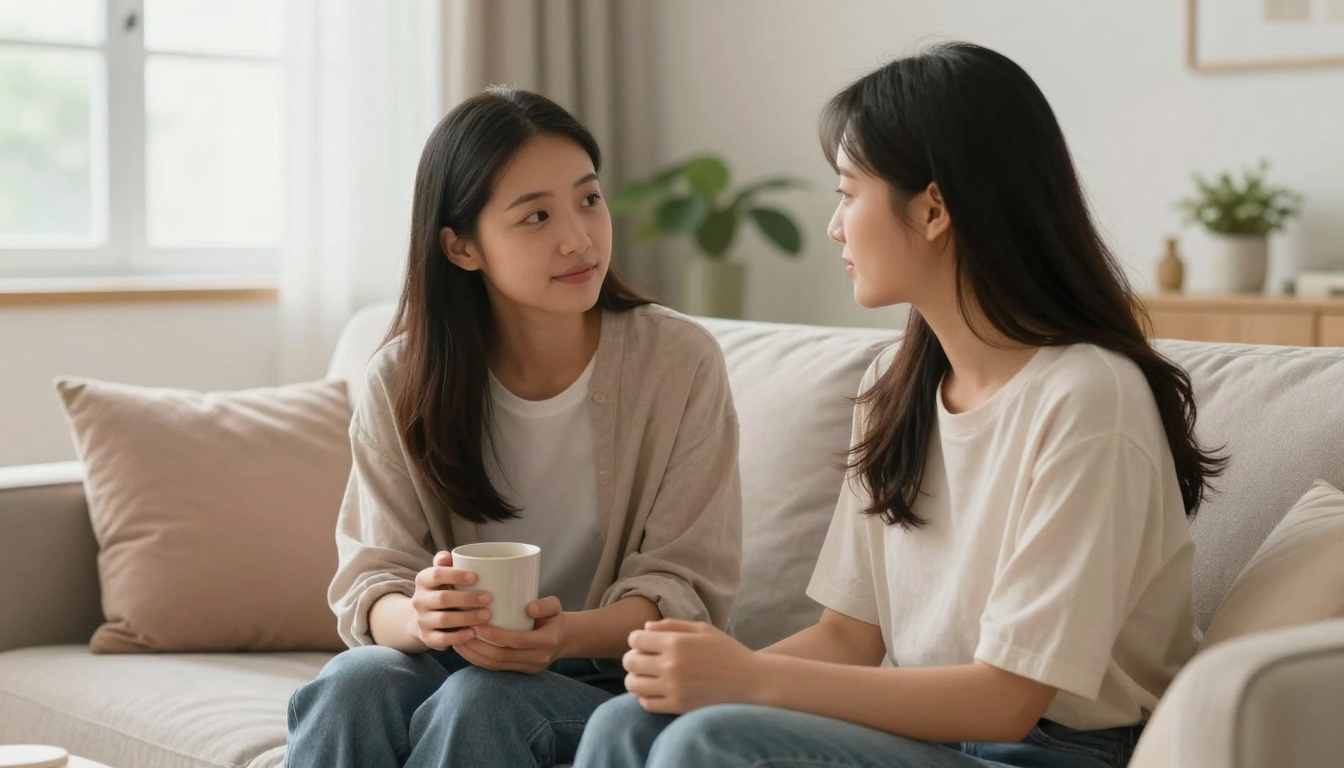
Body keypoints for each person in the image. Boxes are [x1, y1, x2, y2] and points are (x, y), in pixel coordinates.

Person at [573, 42, 1224, 768]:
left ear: (935, 208)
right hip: (936, 739)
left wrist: (751, 679)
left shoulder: (1087, 398)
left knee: (707, 740)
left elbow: (1008, 700)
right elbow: (849, 638)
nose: (834, 226)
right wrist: (708, 674)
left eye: (848, 193)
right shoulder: (898, 382)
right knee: (624, 725)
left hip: (1055, 752)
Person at [285, 86, 741, 768]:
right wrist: (422, 617)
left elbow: (686, 590)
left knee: (486, 698)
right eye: (535, 216)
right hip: (450, 661)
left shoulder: (678, 364)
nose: (578, 237)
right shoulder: (400, 379)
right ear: (462, 247)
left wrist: (561, 637)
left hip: (610, 679)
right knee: (352, 684)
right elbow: (372, 583)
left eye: (589, 198)